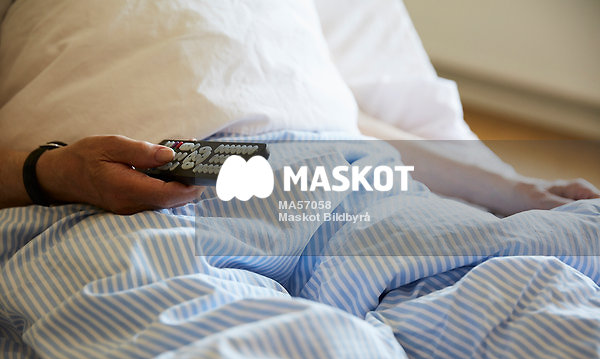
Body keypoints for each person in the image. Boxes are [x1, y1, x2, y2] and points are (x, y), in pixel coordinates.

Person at [0, 0, 597, 215]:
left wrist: (512, 190)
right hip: (127, 205)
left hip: (343, 182)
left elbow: (342, 120)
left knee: (549, 289)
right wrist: (51, 172)